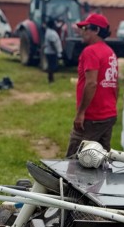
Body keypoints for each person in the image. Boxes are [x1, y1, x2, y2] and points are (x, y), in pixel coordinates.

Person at [65, 13, 118, 157]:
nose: (82, 31)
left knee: (73, 160)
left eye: (85, 28)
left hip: (92, 117)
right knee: (99, 160)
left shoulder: (90, 51)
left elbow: (91, 83)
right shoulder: (110, 52)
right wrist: (111, 106)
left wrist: (81, 113)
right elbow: (115, 85)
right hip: (108, 115)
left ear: (97, 30)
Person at [43, 18, 63, 84]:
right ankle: (51, 80)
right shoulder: (51, 33)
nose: (55, 25)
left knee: (51, 66)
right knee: (51, 66)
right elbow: (52, 43)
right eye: (54, 24)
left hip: (50, 52)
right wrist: (57, 52)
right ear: (52, 25)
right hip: (51, 52)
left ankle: (51, 79)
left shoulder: (49, 31)